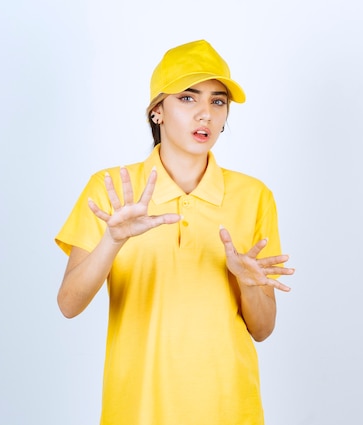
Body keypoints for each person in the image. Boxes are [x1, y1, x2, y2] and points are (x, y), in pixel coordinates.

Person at [55, 39, 295, 425]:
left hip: (228, 407)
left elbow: (263, 329)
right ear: (157, 112)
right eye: (187, 98)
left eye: (218, 102)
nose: (206, 115)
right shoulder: (112, 189)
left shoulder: (253, 196)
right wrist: (112, 241)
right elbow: (68, 304)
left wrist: (249, 284)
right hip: (137, 408)